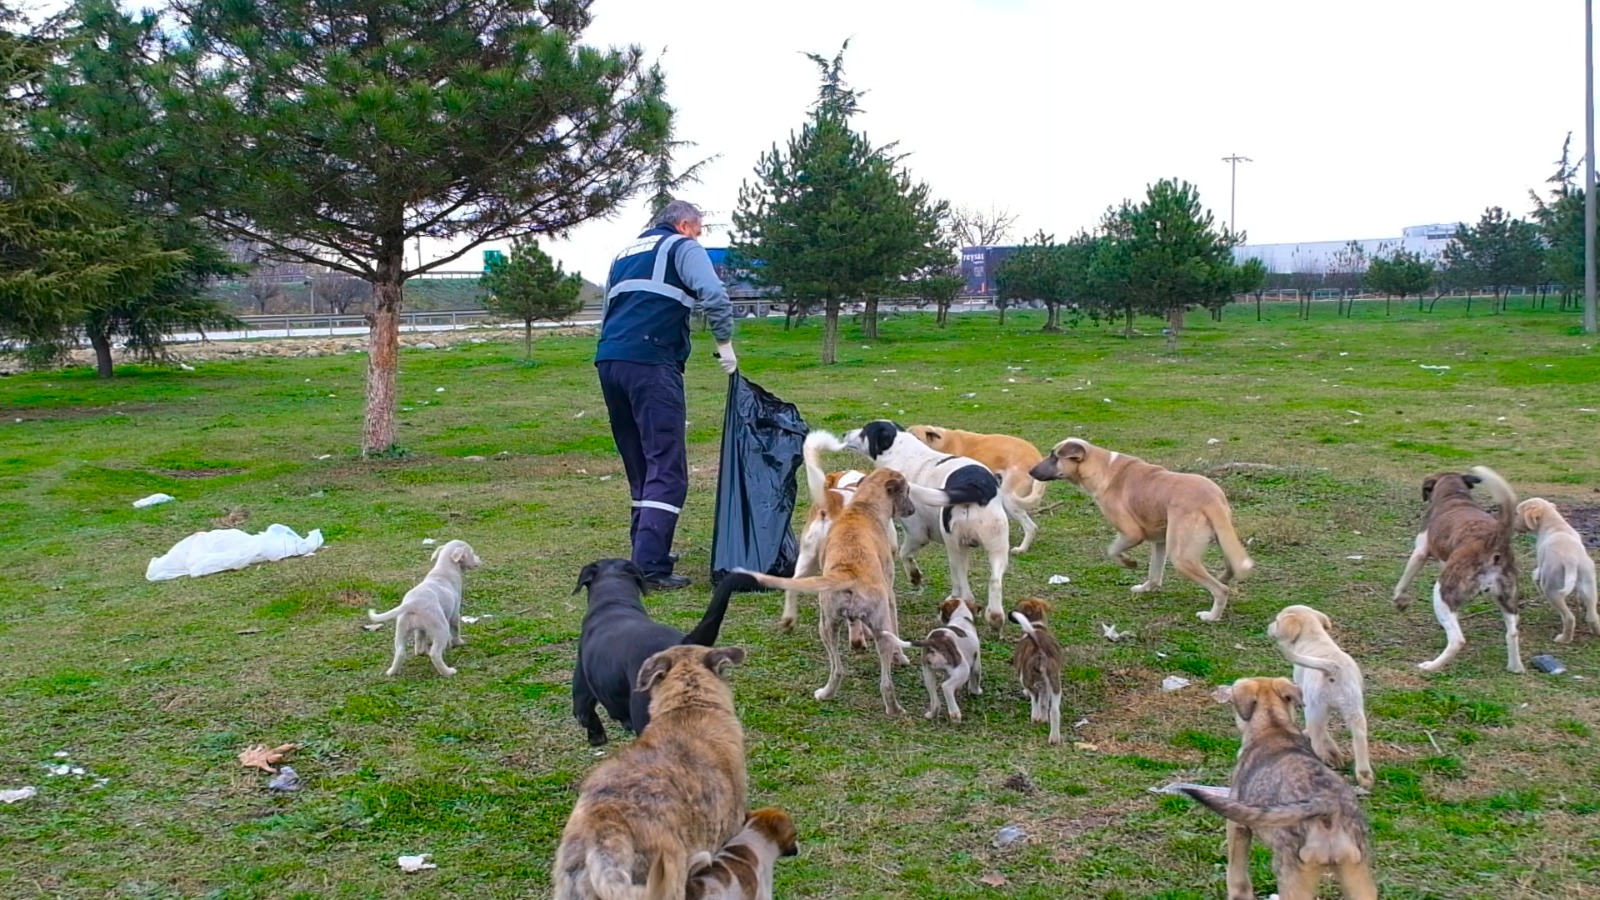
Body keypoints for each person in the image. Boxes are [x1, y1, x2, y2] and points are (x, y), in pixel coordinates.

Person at [595, 200, 738, 590]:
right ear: (686, 224)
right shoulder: (682, 246)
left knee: (640, 462)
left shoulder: (624, 254)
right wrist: (724, 342)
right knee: (667, 467)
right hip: (652, 361)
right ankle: (651, 567)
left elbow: (610, 310)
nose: (701, 236)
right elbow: (714, 294)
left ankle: (645, 548)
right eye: (701, 228)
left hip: (610, 360)